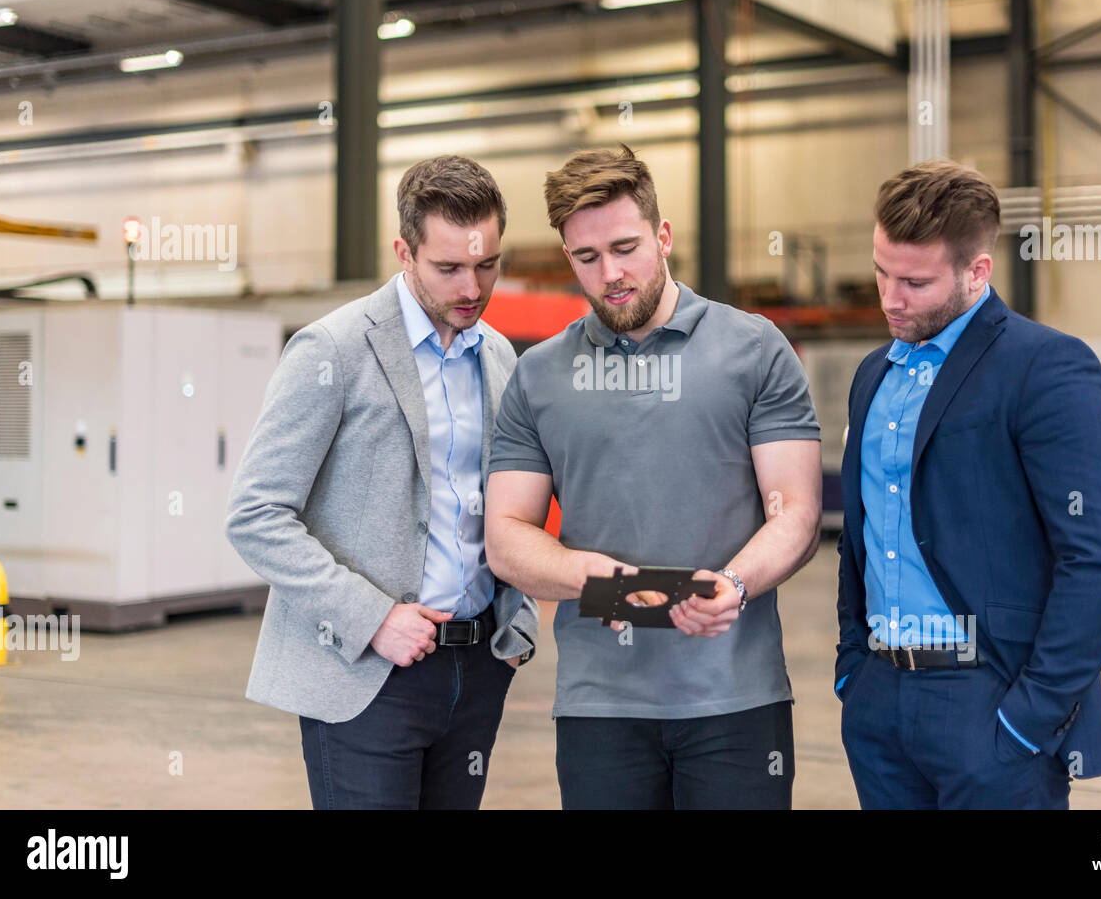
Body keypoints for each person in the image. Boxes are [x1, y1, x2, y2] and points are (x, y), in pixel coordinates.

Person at [484, 144, 822, 810]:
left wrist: (734, 583)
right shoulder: (539, 375)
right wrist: (595, 579)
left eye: (626, 247)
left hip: (736, 699)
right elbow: (506, 534)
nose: (610, 273)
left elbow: (798, 512)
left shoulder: (754, 350)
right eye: (586, 257)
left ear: (663, 237)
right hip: (599, 707)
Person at [226, 155, 538, 809]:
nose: (472, 287)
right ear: (404, 251)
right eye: (447, 267)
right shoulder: (332, 351)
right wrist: (373, 620)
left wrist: (519, 624)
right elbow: (256, 513)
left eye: (488, 265)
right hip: (366, 673)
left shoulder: (502, 356)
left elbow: (513, 506)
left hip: (477, 667)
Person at [834, 160, 1101, 809]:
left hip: (987, 701)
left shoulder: (1045, 366)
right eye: (882, 271)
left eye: (915, 281)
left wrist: (1028, 717)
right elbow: (860, 534)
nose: (889, 297)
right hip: (879, 700)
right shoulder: (874, 375)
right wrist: (852, 668)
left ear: (977, 271)